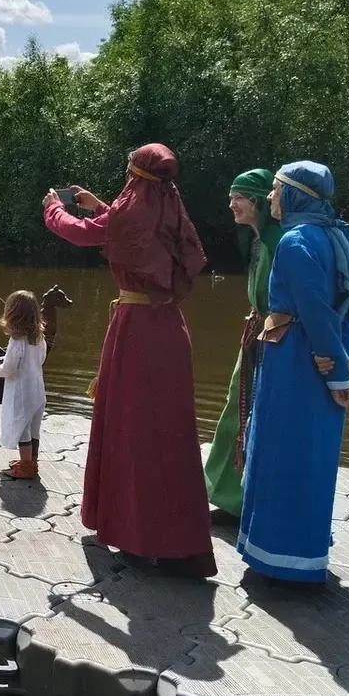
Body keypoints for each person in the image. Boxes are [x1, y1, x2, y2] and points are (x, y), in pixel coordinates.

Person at [42, 143, 216, 579]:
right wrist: (98, 204)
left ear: (137, 174)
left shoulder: (131, 209)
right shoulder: (170, 205)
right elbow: (135, 231)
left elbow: (85, 233)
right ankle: (184, 546)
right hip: (170, 331)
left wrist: (52, 209)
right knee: (171, 436)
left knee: (132, 431)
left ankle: (140, 540)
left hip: (136, 330)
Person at [238, 161, 349, 588]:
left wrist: (333, 370)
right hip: (316, 357)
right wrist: (338, 358)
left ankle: (280, 561)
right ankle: (305, 554)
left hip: (294, 363)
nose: (272, 197)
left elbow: (315, 312)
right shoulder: (340, 236)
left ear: (294, 195)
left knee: (281, 453)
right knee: (313, 456)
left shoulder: (295, 242)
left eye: (276, 190)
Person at [203, 169, 284, 524]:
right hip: (255, 332)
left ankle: (248, 501)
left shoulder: (278, 240)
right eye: (231, 197)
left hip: (274, 339)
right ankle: (227, 498)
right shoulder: (255, 239)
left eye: (239, 198)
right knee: (236, 410)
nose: (231, 204)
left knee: (255, 416)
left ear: (256, 201)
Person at [0, 290, 48, 480]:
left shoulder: (17, 340)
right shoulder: (40, 338)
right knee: (34, 427)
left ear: (11, 314)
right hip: (38, 390)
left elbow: (10, 367)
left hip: (22, 392)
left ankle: (25, 467)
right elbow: (41, 360)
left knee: (21, 428)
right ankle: (32, 462)